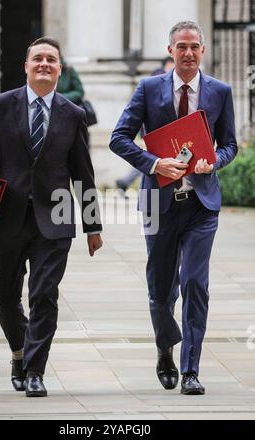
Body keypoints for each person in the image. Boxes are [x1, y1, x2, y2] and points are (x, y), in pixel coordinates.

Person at [0, 37, 103, 397]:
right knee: (5, 295)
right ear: (26, 66)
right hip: (6, 217)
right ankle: (19, 351)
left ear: (60, 69)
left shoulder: (74, 115)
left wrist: (93, 226)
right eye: (38, 59)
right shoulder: (0, 105)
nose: (44, 64)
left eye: (51, 60)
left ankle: (35, 371)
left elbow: (83, 174)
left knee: (44, 294)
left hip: (54, 219)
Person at [110, 21, 237, 395]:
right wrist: (154, 163)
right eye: (181, 46)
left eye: (194, 46)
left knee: (196, 283)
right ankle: (165, 347)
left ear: (203, 51)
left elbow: (229, 144)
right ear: (170, 51)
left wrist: (214, 161)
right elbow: (119, 138)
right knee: (162, 290)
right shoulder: (149, 89)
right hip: (158, 203)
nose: (188, 53)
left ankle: (191, 370)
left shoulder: (220, 92)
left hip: (201, 204)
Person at [115, 57, 175, 192]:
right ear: (168, 64)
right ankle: (125, 182)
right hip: (154, 133)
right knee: (152, 160)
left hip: (162, 134)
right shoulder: (155, 79)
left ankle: (125, 182)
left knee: (153, 161)